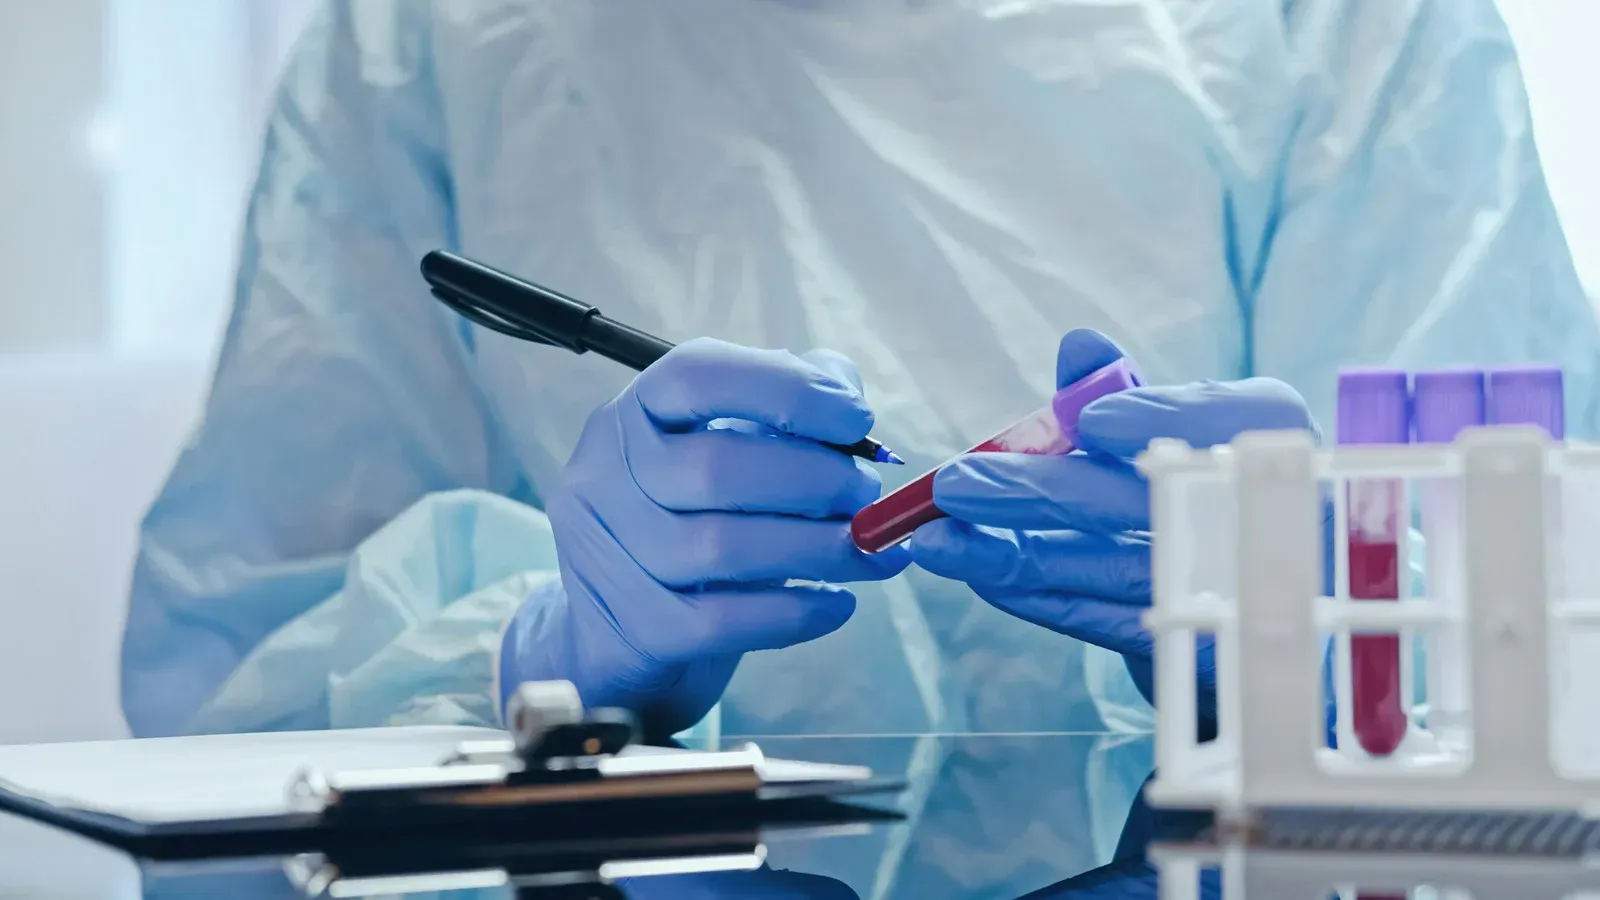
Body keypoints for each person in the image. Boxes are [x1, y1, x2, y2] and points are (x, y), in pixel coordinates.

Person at [124, 0, 1597, 757]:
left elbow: (1542, 656)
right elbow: (231, 701)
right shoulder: (435, 40)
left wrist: (1328, 645)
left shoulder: (1343, 27)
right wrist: (535, 664)